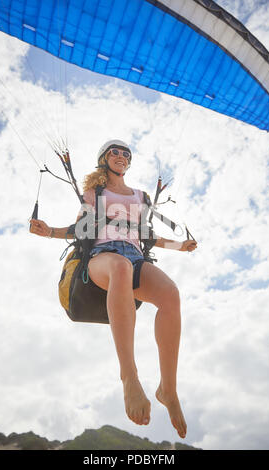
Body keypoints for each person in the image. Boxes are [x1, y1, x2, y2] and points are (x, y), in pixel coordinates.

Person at [30, 139, 197, 438]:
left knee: (171, 295)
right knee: (119, 264)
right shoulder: (94, 192)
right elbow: (79, 229)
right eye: (115, 152)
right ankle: (129, 377)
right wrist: (48, 232)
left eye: (125, 154)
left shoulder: (142, 196)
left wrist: (180, 247)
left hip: (134, 257)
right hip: (101, 258)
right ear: (104, 159)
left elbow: (149, 236)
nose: (121, 156)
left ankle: (168, 390)